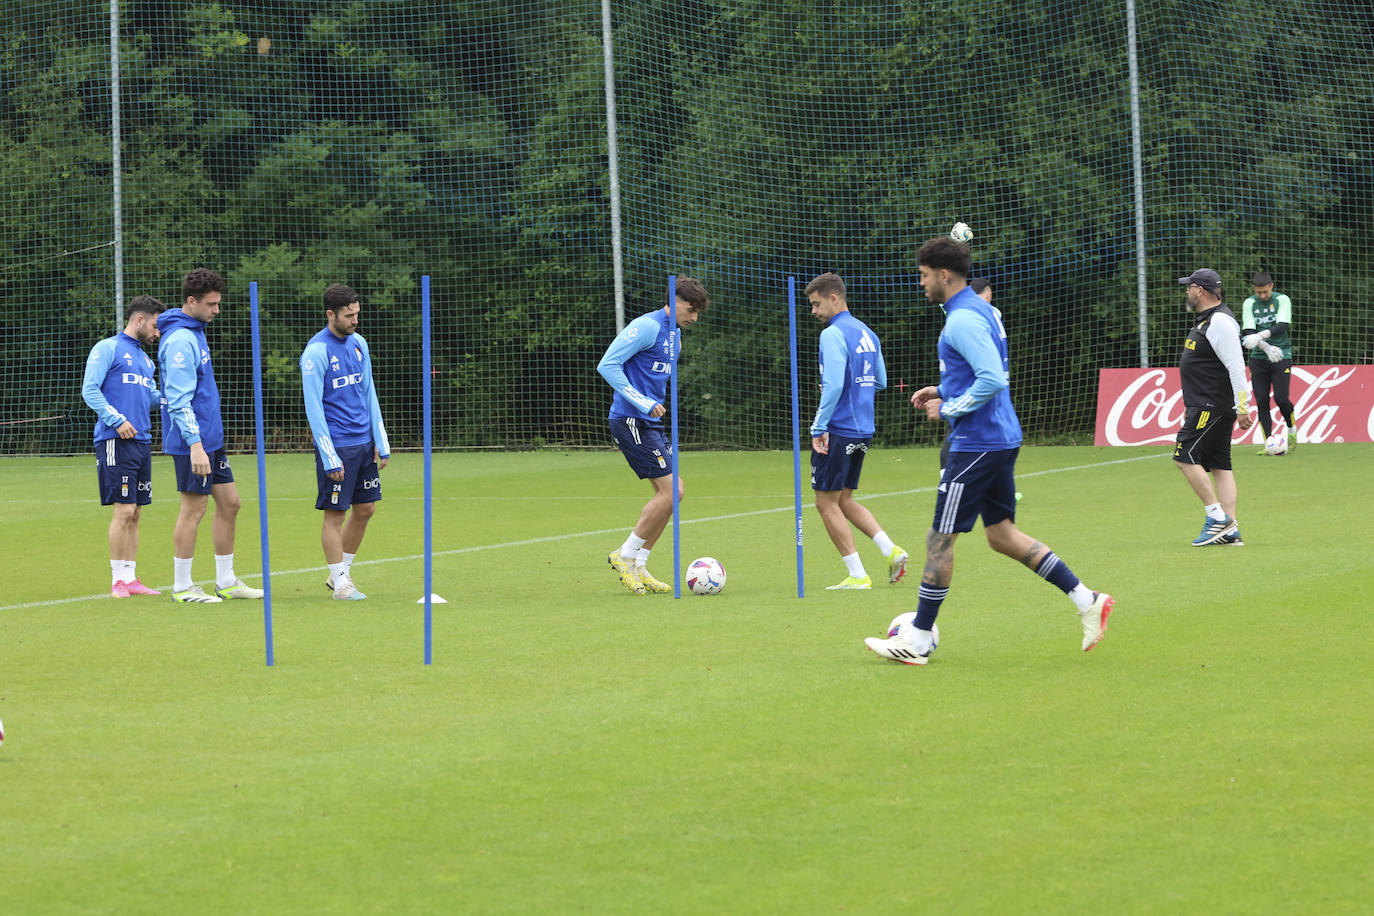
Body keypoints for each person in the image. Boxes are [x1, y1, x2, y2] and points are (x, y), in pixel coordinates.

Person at [863, 238, 1113, 665]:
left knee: (940, 538)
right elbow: (983, 372)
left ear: (944, 275)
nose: (920, 282)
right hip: (998, 437)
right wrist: (941, 389)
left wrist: (950, 409)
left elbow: (993, 379)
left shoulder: (961, 320)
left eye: (924, 275)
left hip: (977, 442)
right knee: (1001, 536)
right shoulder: (980, 311)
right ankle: (1086, 599)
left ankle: (918, 639)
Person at [597, 277, 710, 594]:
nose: (694, 318)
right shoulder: (646, 326)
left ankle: (639, 564)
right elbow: (608, 365)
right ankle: (624, 555)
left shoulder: (675, 334)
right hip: (630, 419)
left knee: (676, 493)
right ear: (675, 300)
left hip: (652, 423)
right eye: (691, 309)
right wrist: (642, 401)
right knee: (669, 490)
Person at [158, 268, 264, 603]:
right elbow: (178, 399)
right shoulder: (180, 340)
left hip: (211, 441)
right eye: (211, 304)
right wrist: (196, 446)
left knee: (230, 504)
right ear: (192, 301)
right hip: (193, 444)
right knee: (194, 509)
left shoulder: (197, 330)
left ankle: (227, 581)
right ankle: (182, 586)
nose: (217, 310)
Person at [805, 272, 908, 590]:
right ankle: (891, 550)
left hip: (838, 428)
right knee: (844, 499)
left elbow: (834, 384)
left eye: (816, 303)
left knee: (825, 503)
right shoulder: (867, 332)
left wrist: (819, 425)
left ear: (833, 297)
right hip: (864, 428)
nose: (814, 311)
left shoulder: (832, 334)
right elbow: (881, 381)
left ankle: (857, 575)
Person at [301, 283, 391, 600]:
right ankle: (341, 585)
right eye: (348, 315)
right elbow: (314, 409)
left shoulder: (359, 344)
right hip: (337, 445)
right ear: (330, 314)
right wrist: (329, 456)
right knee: (334, 516)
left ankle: (340, 575)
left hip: (364, 443)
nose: (355, 320)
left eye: (356, 314)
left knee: (365, 509)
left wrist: (380, 439)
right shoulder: (315, 353)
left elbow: (368, 393)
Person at [82, 295, 166, 598]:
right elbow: (89, 389)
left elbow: (153, 398)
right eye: (156, 326)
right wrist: (116, 420)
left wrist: (177, 396)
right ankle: (117, 579)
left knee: (136, 512)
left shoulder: (146, 360)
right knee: (124, 509)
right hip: (115, 439)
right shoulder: (108, 348)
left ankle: (130, 578)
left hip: (142, 442)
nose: (158, 333)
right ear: (140, 319)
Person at [1172, 268, 1255, 546]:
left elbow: (1236, 365)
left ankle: (1216, 517)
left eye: (1190, 287)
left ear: (1201, 290)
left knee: (1184, 457)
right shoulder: (1207, 320)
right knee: (1220, 466)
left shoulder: (1220, 321)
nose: (1187, 291)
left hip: (1211, 405)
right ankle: (1229, 530)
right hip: (1207, 403)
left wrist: (1242, 405)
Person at [940, 278, 996, 472]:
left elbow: (991, 379)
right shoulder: (992, 314)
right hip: (992, 403)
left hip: (971, 389)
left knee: (956, 431)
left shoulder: (964, 316)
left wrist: (944, 407)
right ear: (988, 295)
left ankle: (947, 478)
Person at [1240, 271, 1297, 454]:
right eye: (1259, 292)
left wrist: (1261, 336)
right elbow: (1249, 330)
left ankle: (1291, 429)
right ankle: (1269, 444)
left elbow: (1282, 326)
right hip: (1259, 358)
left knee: (1281, 398)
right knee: (1262, 400)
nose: (1262, 296)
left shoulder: (1282, 300)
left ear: (1271, 286)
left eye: (1265, 291)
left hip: (1281, 355)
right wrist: (1264, 347)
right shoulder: (1249, 303)